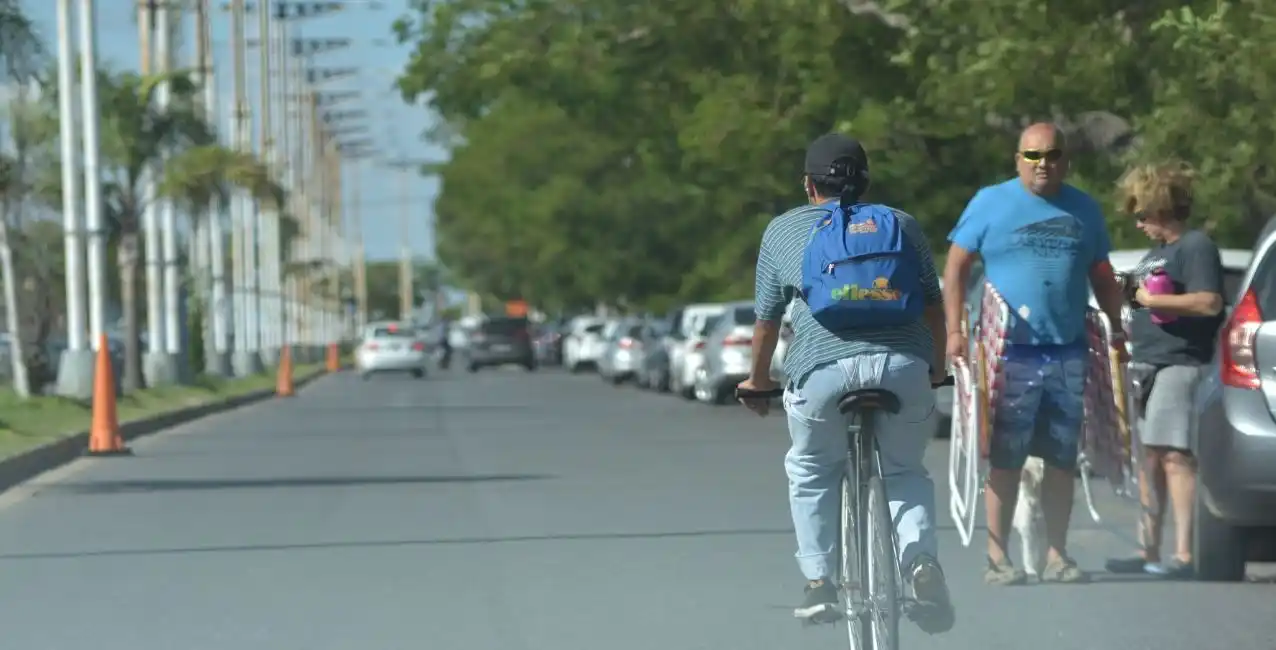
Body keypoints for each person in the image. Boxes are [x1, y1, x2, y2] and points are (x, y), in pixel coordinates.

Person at [737, 133, 954, 633]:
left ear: (809, 185)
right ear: (867, 181)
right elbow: (932, 307)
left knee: (812, 469)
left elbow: (768, 321)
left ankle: (819, 582)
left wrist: (756, 381)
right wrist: (936, 369)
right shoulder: (900, 224)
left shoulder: (783, 230)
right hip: (903, 367)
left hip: (822, 371)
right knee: (904, 471)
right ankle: (920, 566)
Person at [942, 123, 1128, 586]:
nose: (1042, 163)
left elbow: (1102, 273)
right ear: (1017, 159)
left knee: (1062, 458)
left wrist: (1117, 327)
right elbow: (956, 265)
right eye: (1032, 155)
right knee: (1005, 456)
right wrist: (955, 331)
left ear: (1065, 160)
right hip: (1009, 351)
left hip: (1067, 348)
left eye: (1052, 154)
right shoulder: (991, 202)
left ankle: (1057, 554)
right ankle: (997, 557)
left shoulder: (1084, 208)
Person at [1104, 162, 1224, 579]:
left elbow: (1208, 301)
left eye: (1142, 214)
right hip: (1148, 364)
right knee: (1148, 459)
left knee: (1174, 456)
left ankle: (1183, 555)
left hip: (1180, 362)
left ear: (1162, 207)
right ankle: (1147, 547)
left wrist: (1151, 302)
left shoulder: (1195, 247)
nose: (1138, 223)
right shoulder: (1157, 255)